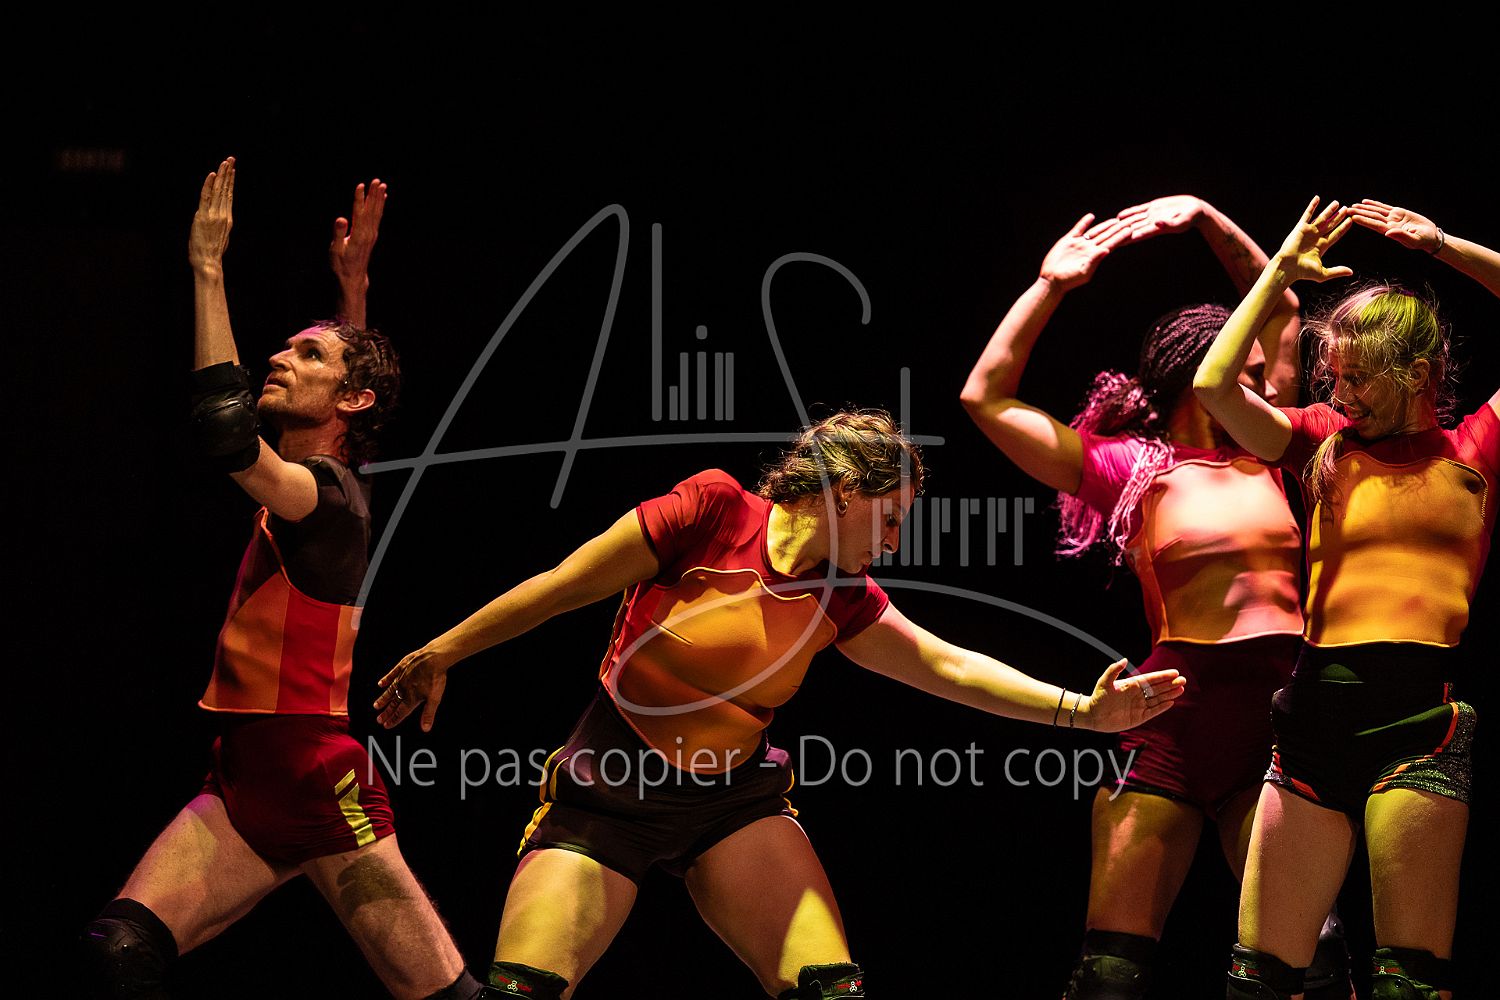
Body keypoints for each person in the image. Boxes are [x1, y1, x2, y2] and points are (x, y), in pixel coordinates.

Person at [373, 409, 1186, 1000]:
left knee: (830, 990)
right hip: (606, 794)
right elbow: (561, 587)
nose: (894, 543)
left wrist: (1083, 712)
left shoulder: (844, 597)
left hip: (733, 806)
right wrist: (444, 651)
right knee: (524, 992)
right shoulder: (711, 511)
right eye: (890, 518)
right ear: (842, 491)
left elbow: (948, 665)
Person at [80, 158, 485, 1000]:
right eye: (290, 348)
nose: (278, 357)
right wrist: (353, 292)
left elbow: (227, 436)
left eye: (306, 354)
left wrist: (206, 266)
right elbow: (348, 393)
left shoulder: (326, 498)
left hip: (314, 778)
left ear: (352, 401)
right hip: (241, 776)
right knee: (120, 948)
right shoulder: (327, 477)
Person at [961, 195, 1351, 999]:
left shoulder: (1278, 451)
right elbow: (985, 400)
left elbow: (1281, 304)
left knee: (1310, 962)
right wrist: (1051, 286)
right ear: (1196, 378)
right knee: (1111, 973)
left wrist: (1205, 216)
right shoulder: (1132, 470)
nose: (1265, 386)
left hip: (1278, 719)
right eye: (1246, 375)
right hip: (1173, 718)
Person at [1193, 196, 1500, 1000]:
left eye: (1359, 376)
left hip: (1418, 722)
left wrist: (1442, 245)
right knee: (1259, 981)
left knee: (1408, 984)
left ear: (1418, 375)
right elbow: (1213, 385)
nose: (1342, 390)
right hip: (1312, 720)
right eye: (1335, 375)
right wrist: (1277, 274)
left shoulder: (1476, 450)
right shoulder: (1319, 441)